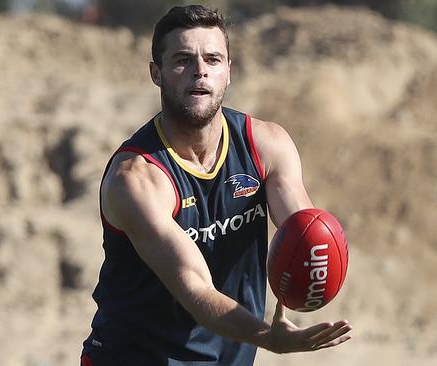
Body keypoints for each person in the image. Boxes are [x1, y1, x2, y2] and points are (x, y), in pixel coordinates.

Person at [80, 5, 351, 366]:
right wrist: (269, 338)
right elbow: (195, 288)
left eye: (212, 59)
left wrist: (310, 274)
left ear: (229, 72)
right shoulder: (136, 179)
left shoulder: (266, 146)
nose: (200, 71)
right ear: (156, 73)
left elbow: (303, 230)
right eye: (182, 60)